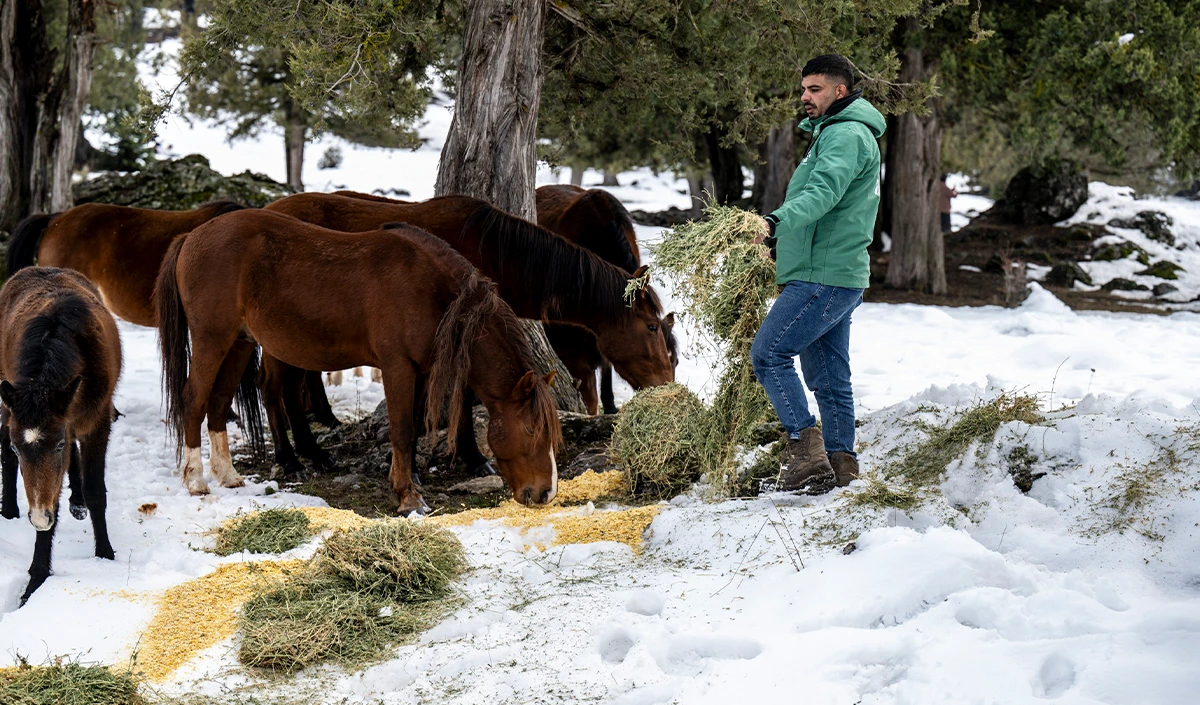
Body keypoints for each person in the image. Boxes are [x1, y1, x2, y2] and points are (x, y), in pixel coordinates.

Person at [751, 54, 885, 494]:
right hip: (832, 273)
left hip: (823, 276)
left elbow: (823, 194)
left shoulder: (845, 135)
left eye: (814, 89)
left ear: (839, 92)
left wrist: (772, 223)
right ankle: (841, 467)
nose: (804, 97)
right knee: (828, 378)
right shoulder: (837, 133)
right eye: (804, 89)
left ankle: (805, 454)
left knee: (769, 354)